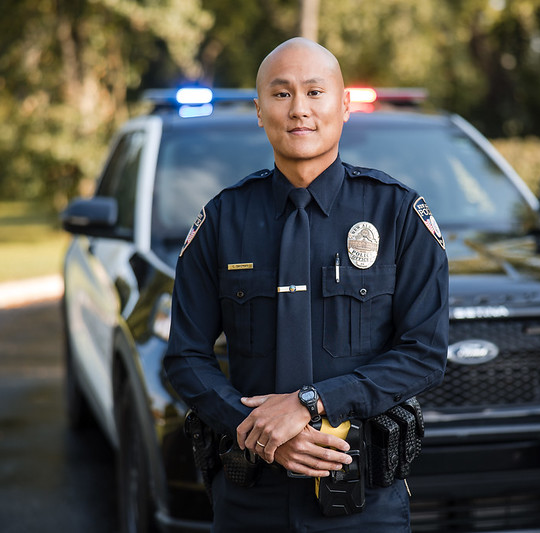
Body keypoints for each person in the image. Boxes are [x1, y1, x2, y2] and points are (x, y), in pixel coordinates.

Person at [164, 37, 449, 532]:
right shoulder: (222, 219)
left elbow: (424, 352)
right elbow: (185, 356)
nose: (299, 110)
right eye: (281, 94)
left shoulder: (398, 214)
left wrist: (310, 403)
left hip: (364, 502)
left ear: (343, 106)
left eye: (315, 92)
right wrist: (257, 429)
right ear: (258, 110)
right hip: (250, 499)